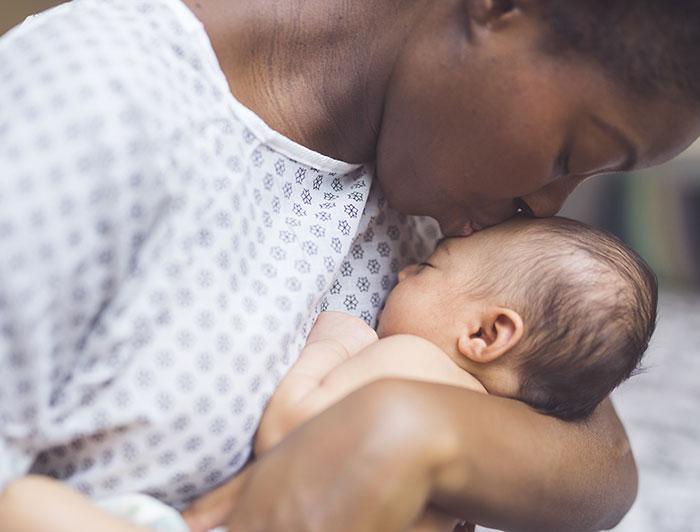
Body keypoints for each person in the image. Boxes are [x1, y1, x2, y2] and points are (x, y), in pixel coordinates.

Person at [1, 0, 699, 530]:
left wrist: (413, 431)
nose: (545, 207)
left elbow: (603, 461)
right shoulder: (92, 104)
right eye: (566, 157)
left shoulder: (444, 192)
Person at [0, 216, 657, 531]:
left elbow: (289, 429)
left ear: (486, 335)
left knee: (23, 504)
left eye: (429, 268)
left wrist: (336, 338)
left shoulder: (415, 364)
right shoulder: (502, 436)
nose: (402, 271)